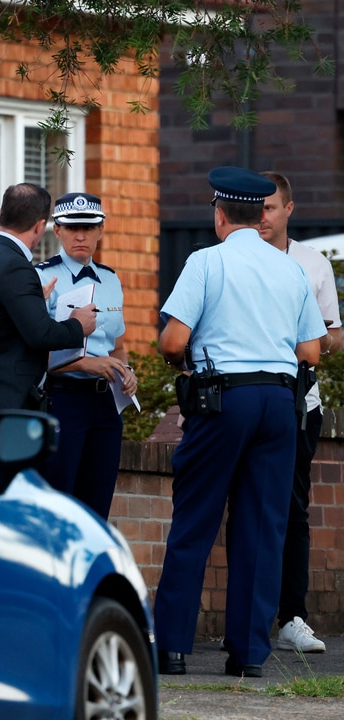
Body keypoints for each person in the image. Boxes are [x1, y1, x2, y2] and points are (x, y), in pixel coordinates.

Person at [153, 166, 326, 679]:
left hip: (223, 400)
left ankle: (176, 648)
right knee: (262, 526)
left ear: (221, 214)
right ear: (260, 217)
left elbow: (171, 342)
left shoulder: (206, 261)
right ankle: (249, 654)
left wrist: (186, 363)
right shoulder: (291, 268)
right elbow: (311, 350)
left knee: (196, 519)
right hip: (279, 403)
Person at [260, 171, 342, 653]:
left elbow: (335, 335)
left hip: (299, 401)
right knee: (245, 504)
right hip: (245, 397)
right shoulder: (231, 260)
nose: (265, 216)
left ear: (289, 209)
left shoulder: (313, 263)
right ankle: (244, 616)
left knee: (293, 509)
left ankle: (292, 617)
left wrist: (307, 342)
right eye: (259, 208)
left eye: (272, 208)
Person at [0, 183, 97, 426]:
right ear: (39, 226)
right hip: (0, 404)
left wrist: (35, 302)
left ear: (1, 214)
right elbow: (41, 335)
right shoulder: (16, 267)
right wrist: (79, 325)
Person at [35, 192, 138, 520]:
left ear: (101, 230)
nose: (81, 236)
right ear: (58, 231)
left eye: (88, 228)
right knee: (59, 499)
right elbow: (35, 349)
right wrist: (86, 364)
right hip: (65, 399)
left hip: (106, 402)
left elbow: (116, 343)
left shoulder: (110, 279)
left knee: (98, 502)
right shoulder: (42, 277)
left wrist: (126, 370)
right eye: (72, 228)